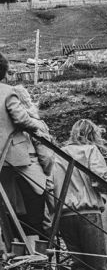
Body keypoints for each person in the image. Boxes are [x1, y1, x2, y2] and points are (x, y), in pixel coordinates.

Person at [52, 119, 107, 270]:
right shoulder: (91, 150)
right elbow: (100, 180)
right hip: (88, 211)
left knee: (78, 264)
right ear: (92, 134)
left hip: (64, 213)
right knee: (98, 264)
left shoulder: (58, 153)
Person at [0, 71, 53, 238]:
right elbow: (47, 156)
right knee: (37, 214)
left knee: (13, 214)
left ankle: (17, 251)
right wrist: (36, 128)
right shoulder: (7, 91)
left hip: (6, 164)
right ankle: (39, 257)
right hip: (21, 162)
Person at [14, 85, 56, 234]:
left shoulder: (9, 125)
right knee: (41, 219)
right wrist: (47, 171)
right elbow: (47, 156)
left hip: (11, 176)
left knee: (18, 221)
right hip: (34, 176)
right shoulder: (34, 123)